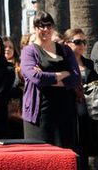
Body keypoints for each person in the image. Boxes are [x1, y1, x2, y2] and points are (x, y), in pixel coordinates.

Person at [20, 11, 83, 153]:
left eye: (48, 26)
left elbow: (76, 78)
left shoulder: (65, 50)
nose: (45, 29)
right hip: (39, 114)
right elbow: (36, 78)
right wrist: (63, 74)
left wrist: (47, 78)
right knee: (40, 157)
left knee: (65, 156)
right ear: (35, 28)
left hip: (65, 112)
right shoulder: (29, 51)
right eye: (41, 26)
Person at [64, 28, 98, 167]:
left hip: (88, 112)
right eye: (78, 42)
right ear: (67, 43)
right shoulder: (63, 64)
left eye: (84, 42)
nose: (82, 45)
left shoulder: (89, 64)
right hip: (69, 112)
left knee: (85, 150)